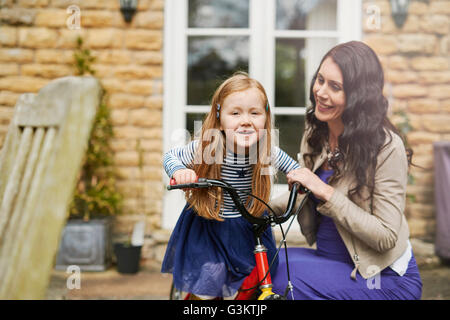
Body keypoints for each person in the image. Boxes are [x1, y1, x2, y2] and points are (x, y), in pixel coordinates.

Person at [270, 41, 422, 300]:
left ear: (359, 97)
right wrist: (257, 209)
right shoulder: (316, 131)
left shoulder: (386, 147)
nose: (321, 92)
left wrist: (325, 191)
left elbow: (385, 236)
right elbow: (305, 193)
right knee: (259, 264)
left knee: (277, 284)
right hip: (330, 260)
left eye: (335, 87)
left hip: (380, 276)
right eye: (320, 80)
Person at [161, 72, 300, 299]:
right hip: (209, 226)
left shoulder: (266, 151)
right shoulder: (209, 147)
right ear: (219, 117)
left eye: (254, 113)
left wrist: (300, 178)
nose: (245, 120)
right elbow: (170, 157)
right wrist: (180, 171)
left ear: (265, 117)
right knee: (207, 286)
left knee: (253, 281)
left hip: (247, 226)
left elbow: (295, 169)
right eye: (235, 113)